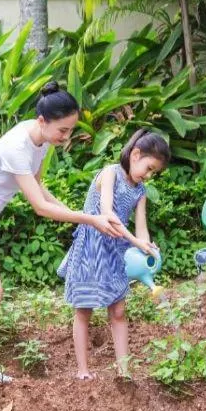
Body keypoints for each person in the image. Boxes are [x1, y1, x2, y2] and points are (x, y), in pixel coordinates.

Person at [0, 81, 124, 383]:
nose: (66, 138)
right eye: (63, 131)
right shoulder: (17, 147)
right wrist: (88, 219)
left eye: (70, 130)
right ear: (43, 121)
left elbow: (40, 187)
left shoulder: (41, 142)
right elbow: (39, 206)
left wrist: (86, 217)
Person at [58, 129, 169, 379]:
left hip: (115, 251)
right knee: (84, 309)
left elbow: (141, 227)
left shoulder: (140, 191)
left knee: (118, 311)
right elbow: (108, 214)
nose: (149, 175)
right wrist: (133, 241)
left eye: (154, 173)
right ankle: (83, 371)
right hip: (92, 246)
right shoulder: (110, 174)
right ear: (136, 154)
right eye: (149, 168)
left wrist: (147, 246)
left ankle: (124, 370)